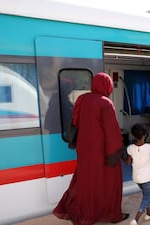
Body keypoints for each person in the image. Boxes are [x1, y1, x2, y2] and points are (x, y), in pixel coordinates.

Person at [53, 72, 129, 225]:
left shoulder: (82, 99)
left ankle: (84, 213)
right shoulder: (105, 103)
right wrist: (117, 153)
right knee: (109, 182)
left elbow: (75, 122)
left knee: (86, 181)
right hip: (102, 151)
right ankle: (111, 214)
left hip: (85, 149)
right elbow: (112, 132)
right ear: (106, 86)